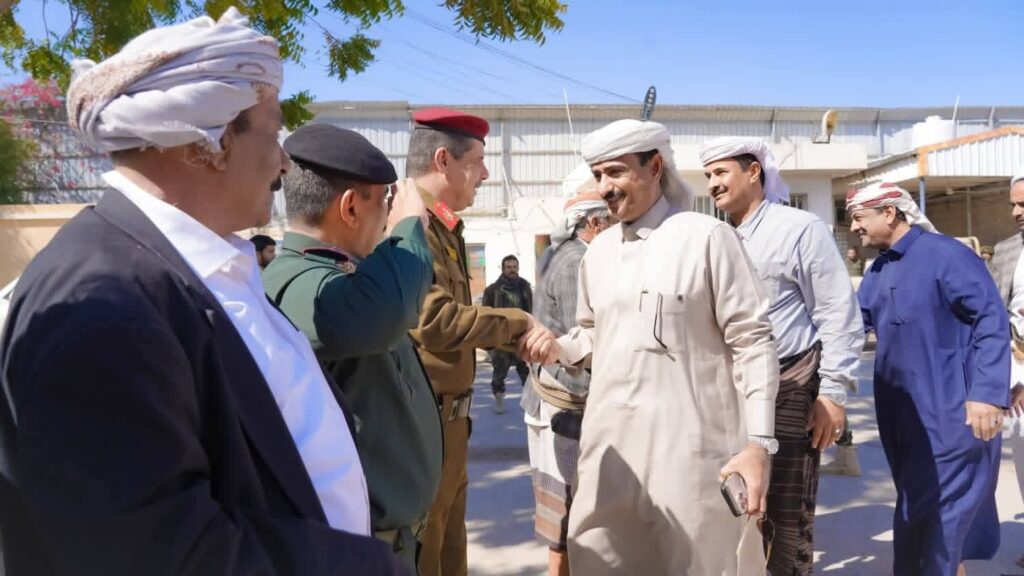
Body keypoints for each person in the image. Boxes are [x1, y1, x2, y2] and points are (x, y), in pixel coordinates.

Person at [0, 9, 409, 575]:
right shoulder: (102, 305)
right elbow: (162, 552)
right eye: (271, 132)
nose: (283, 163)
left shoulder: (194, 267)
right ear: (204, 145)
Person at [523, 119, 781, 575]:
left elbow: (753, 341)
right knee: (597, 559)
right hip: (610, 456)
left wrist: (759, 444)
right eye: (598, 175)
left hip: (691, 460)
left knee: (699, 565)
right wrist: (557, 348)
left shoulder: (706, 238)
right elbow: (593, 333)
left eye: (616, 172)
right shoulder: (598, 253)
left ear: (655, 167)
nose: (605, 187)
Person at [261, 123, 442, 570]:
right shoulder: (294, 282)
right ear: (350, 206)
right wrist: (408, 226)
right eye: (383, 204)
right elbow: (385, 312)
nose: (386, 218)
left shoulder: (341, 275)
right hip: (359, 550)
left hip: (390, 543)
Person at [701, 137, 864, 575]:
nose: (712, 184)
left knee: (785, 512)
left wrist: (832, 395)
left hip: (791, 385)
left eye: (721, 172)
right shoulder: (717, 237)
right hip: (731, 391)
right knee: (735, 505)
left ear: (754, 171)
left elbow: (837, 313)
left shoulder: (799, 229)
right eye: (708, 175)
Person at [406, 107, 550, 576]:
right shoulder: (410, 224)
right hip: (423, 424)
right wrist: (518, 324)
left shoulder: (443, 224)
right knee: (426, 553)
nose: (485, 174)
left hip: (451, 422)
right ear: (443, 160)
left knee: (449, 549)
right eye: (477, 162)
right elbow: (434, 320)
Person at [849, 182, 1009, 576]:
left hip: (951, 414)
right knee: (924, 510)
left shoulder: (947, 255)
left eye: (858, 217)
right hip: (901, 417)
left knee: (935, 517)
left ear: (890, 213)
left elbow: (991, 320)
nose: (853, 227)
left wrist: (988, 394)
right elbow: (851, 325)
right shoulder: (879, 269)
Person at [521, 179, 609, 576]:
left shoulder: (560, 253)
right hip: (564, 406)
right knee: (567, 526)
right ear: (594, 223)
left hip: (553, 401)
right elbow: (580, 345)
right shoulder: (577, 261)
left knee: (565, 521)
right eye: (609, 223)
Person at [986, 170, 1024, 569]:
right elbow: (994, 315)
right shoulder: (1006, 250)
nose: (1016, 212)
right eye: (1013, 204)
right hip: (1017, 372)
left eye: (1023, 204)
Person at [482, 254, 533, 413]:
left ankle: (530, 402)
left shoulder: (524, 287)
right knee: (499, 371)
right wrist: (488, 340)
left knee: (526, 371)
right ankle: (499, 399)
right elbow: (486, 315)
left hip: (521, 336)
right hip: (501, 338)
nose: (512, 270)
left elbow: (531, 309)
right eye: (509, 267)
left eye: (514, 267)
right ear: (503, 269)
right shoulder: (492, 290)